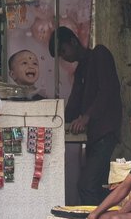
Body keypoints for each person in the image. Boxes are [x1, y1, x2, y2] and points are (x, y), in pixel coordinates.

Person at [49, 26, 122, 205]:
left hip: (106, 132)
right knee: (98, 185)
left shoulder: (100, 54)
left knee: (86, 185)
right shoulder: (81, 68)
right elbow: (74, 102)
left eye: (63, 51)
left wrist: (86, 117)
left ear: (73, 42)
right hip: (93, 136)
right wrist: (58, 122)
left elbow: (107, 91)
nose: (64, 57)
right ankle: (102, 218)